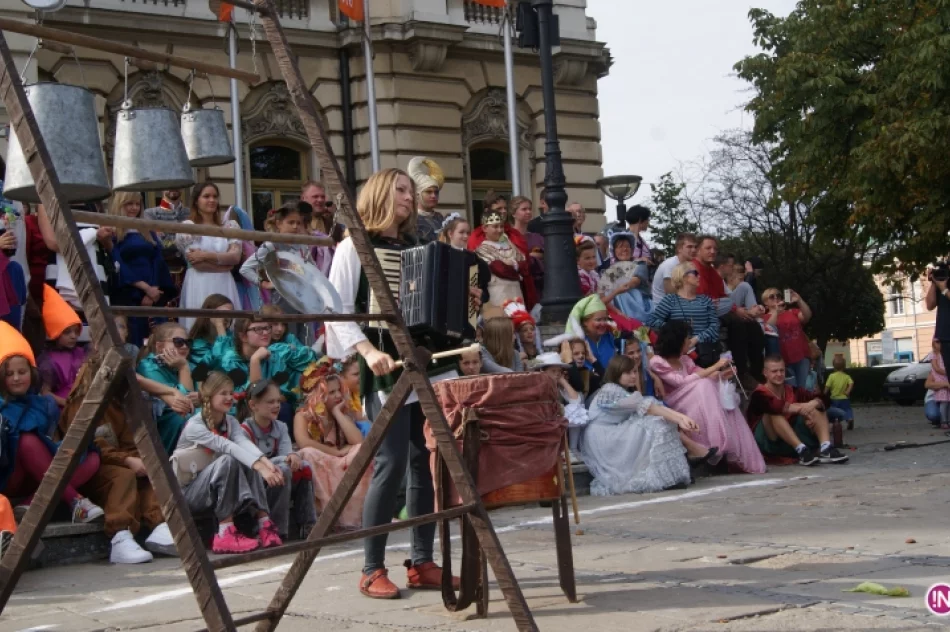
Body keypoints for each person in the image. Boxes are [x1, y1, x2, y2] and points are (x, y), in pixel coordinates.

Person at [325, 168, 456, 599]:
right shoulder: (354, 245)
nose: (409, 197)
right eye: (400, 189)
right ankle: (371, 568)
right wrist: (366, 352)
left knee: (423, 462)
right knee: (392, 461)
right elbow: (336, 309)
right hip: (381, 365)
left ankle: (421, 562)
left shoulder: (417, 246)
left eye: (411, 191)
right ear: (380, 193)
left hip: (420, 362)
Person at [60, 354, 176, 564]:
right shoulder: (81, 404)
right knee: (122, 476)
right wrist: (126, 460)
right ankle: (120, 535)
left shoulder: (121, 404)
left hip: (120, 463)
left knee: (152, 470)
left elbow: (132, 442)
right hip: (89, 470)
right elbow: (89, 446)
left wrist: (139, 460)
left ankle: (159, 524)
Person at [0, 322, 103, 523]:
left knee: (92, 457)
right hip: (10, 475)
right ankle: (75, 500)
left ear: (31, 373)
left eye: (22, 372)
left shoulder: (43, 404)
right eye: (9, 374)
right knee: (27, 441)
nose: (16, 378)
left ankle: (31, 504)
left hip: (39, 474)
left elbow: (52, 441)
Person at [172, 372, 284, 554]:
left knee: (244, 459)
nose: (229, 398)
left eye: (231, 393)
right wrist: (259, 467)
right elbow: (227, 446)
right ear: (209, 396)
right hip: (189, 493)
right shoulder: (195, 425)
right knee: (229, 459)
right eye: (223, 393)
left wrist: (265, 462)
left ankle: (264, 523)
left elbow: (243, 443)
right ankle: (225, 532)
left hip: (214, 489)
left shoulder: (230, 421)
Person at [650, 321, 766, 474]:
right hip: (674, 403)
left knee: (711, 388)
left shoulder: (685, 360)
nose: (690, 341)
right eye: (687, 338)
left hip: (695, 399)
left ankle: (725, 446)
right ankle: (713, 441)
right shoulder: (657, 362)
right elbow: (680, 382)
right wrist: (715, 366)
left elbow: (701, 373)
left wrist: (721, 374)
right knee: (703, 385)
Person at [585, 355, 700, 495]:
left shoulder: (623, 391)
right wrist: (680, 419)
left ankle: (670, 475)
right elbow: (649, 408)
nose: (633, 376)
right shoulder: (610, 389)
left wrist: (681, 418)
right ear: (616, 373)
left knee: (659, 420)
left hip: (613, 430)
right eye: (628, 372)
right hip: (603, 436)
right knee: (654, 424)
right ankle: (663, 478)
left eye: (634, 371)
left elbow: (652, 406)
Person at [293, 361, 370, 530]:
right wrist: (335, 452)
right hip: (323, 460)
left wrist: (337, 413)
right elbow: (304, 442)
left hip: (339, 461)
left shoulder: (341, 412)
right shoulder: (303, 415)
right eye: (331, 392)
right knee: (308, 453)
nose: (337, 395)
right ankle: (330, 516)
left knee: (361, 450)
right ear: (318, 394)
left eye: (338, 390)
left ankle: (357, 515)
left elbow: (358, 441)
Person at [241, 380, 317, 540]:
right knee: (283, 470)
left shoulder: (281, 427)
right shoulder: (244, 430)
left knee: (304, 466)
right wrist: (286, 458)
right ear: (253, 405)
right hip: (256, 484)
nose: (276, 405)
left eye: (278, 401)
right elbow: (252, 463)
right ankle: (274, 528)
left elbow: (286, 453)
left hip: (278, 475)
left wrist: (293, 456)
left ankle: (308, 523)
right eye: (270, 402)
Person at [746, 355, 849, 466]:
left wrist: (813, 404)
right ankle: (802, 451)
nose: (779, 374)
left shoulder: (792, 390)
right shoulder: (759, 394)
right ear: (765, 373)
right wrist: (801, 409)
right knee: (774, 412)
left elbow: (825, 399)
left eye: (782, 370)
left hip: (791, 440)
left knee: (818, 406)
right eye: (774, 371)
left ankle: (826, 448)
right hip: (769, 443)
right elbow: (775, 406)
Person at [108, 190, 177, 346]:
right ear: (119, 205)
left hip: (153, 294)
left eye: (137, 204)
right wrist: (145, 288)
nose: (134, 208)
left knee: (159, 336)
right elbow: (118, 262)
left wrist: (154, 289)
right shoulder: (113, 232)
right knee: (133, 336)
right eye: (129, 204)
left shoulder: (147, 230)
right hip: (128, 292)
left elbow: (158, 259)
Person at [240, 201, 314, 344]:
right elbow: (246, 268)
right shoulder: (271, 246)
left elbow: (312, 269)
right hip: (282, 298)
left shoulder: (302, 246)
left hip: (302, 297)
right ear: (279, 224)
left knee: (305, 335)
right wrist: (264, 283)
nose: (295, 226)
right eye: (291, 222)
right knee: (287, 334)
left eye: (298, 223)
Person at [694, 236, 764, 384]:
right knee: (737, 322)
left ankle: (757, 372)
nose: (712, 251)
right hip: (700, 312)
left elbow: (723, 297)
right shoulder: (693, 268)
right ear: (698, 249)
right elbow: (701, 298)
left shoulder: (712, 272)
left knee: (753, 325)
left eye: (715, 248)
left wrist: (736, 309)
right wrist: (734, 309)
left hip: (718, 309)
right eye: (708, 248)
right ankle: (741, 372)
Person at [175, 182, 242, 332]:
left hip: (224, 282)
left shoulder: (229, 226)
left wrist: (206, 255)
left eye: (215, 196)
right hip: (199, 282)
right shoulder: (188, 226)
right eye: (206, 196)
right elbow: (196, 263)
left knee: (228, 323)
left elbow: (235, 257)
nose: (211, 200)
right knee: (200, 323)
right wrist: (224, 265)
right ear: (196, 201)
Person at [218, 318, 317, 418]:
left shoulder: (277, 352)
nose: (265, 333)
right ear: (243, 336)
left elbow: (313, 359)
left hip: (278, 410)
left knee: (284, 409)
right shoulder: (230, 361)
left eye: (267, 328)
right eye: (258, 329)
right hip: (241, 416)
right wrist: (255, 361)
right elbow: (252, 399)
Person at [646, 262, 720, 367]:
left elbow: (715, 326)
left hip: (704, 351)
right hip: (678, 352)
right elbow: (652, 321)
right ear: (684, 277)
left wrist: (696, 339)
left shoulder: (705, 300)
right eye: (695, 273)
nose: (699, 276)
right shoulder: (670, 300)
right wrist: (675, 333)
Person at [136, 323, 195, 453]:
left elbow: (205, 392)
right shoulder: (147, 366)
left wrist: (200, 397)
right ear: (160, 347)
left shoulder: (189, 364)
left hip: (183, 416)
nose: (185, 346)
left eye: (188, 342)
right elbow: (184, 401)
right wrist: (183, 368)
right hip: (161, 421)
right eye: (178, 342)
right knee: (188, 419)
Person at [37, 286, 88, 408]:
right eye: (67, 332)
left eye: (76, 331)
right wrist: (68, 404)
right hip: (62, 408)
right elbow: (45, 393)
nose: (73, 336)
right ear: (56, 333)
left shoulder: (81, 352)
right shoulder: (47, 361)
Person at [475, 209, 535, 308]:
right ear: (485, 228)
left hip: (516, 293)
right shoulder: (482, 250)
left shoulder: (509, 244)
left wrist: (512, 264)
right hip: (498, 295)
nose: (499, 230)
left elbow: (524, 265)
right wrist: (516, 266)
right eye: (495, 227)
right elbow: (500, 269)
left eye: (501, 226)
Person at [761, 287, 813, 387]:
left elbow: (807, 316)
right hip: (782, 361)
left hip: (801, 356)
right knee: (790, 389)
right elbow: (769, 328)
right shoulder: (764, 317)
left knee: (802, 389)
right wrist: (776, 311)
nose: (776, 298)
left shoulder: (791, 312)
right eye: (772, 297)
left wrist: (799, 300)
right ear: (765, 302)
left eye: (778, 295)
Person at [439, 213, 491, 307]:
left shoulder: (475, 259)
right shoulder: (440, 258)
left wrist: (480, 296)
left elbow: (485, 293)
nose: (466, 236)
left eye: (468, 233)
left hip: (469, 310)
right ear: (450, 233)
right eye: (461, 232)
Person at [599, 232, 651, 322]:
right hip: (616, 307)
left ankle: (630, 320)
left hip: (639, 306)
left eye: (627, 246)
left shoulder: (640, 264)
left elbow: (632, 283)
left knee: (621, 292)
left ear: (632, 249)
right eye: (620, 247)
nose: (624, 249)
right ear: (614, 251)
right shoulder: (611, 270)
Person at [143, 188, 189, 288]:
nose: (173, 187)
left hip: (188, 272)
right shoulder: (150, 214)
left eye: (177, 183)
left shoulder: (190, 214)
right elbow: (157, 243)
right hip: (161, 273)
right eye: (169, 183)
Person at [468, 191, 528, 255]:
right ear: (487, 211)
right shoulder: (476, 236)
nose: (504, 211)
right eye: (499, 208)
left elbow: (524, 256)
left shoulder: (514, 233)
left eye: (505, 208)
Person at [301, 180, 339, 275]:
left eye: (323, 197)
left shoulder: (335, 226)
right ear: (303, 198)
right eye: (315, 196)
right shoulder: (295, 224)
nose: (320, 200)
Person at [187, 293, 234, 370]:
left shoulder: (234, 337)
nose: (227, 317)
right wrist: (219, 326)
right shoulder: (196, 343)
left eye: (230, 314)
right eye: (222, 313)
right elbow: (220, 363)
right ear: (208, 314)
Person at [509, 196, 544, 295]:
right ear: (513, 213)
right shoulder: (508, 237)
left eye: (529, 209)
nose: (528, 212)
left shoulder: (537, 237)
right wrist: (531, 256)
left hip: (538, 286)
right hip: (518, 285)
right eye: (524, 209)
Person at [407, 156, 445, 244]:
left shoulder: (441, 218)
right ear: (417, 195)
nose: (433, 196)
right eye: (429, 192)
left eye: (436, 192)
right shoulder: (409, 219)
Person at [653, 232, 698, 304]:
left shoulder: (689, 265)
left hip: (677, 305)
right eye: (689, 247)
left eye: (695, 247)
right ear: (679, 249)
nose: (694, 250)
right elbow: (671, 293)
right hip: (662, 306)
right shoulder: (670, 264)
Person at [925, 265, 950, 384]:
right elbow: (930, 305)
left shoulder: (944, 287)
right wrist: (934, 282)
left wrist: (944, 290)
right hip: (944, 337)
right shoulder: (943, 283)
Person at [824, 356, 855, 430]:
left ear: (833, 366)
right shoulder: (846, 376)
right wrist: (847, 391)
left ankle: (835, 423)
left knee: (834, 411)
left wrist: (824, 393)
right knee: (847, 409)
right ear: (844, 366)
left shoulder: (831, 376)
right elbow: (851, 383)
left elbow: (827, 386)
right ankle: (849, 418)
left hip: (834, 398)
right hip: (844, 398)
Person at [928, 339, 950, 429]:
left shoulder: (946, 354)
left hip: (946, 377)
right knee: (944, 401)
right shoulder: (934, 354)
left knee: (948, 401)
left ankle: (948, 420)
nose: (939, 344)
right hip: (940, 379)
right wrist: (946, 373)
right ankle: (944, 421)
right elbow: (936, 368)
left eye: (941, 342)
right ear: (933, 343)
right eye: (937, 342)